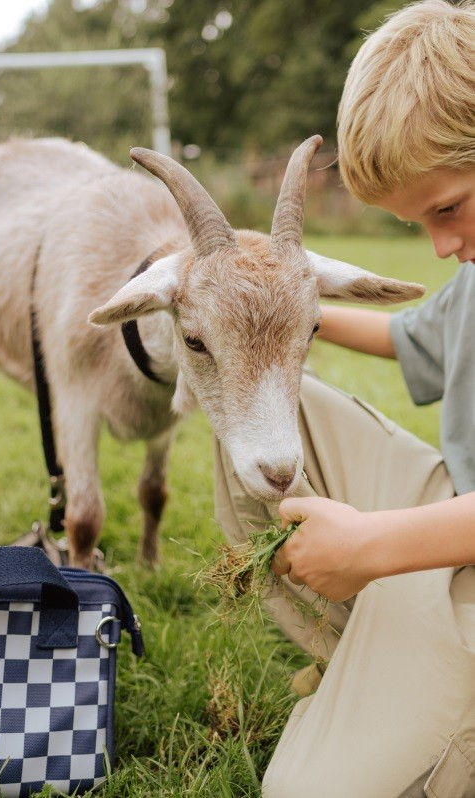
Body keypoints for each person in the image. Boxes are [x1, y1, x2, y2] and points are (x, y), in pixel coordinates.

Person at [213, 1, 475, 796]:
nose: (441, 247)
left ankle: (409, 676)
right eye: (416, 224)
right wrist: (284, 302)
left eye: (450, 207)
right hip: (452, 509)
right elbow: (410, 338)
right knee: (261, 408)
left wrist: (374, 547)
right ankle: (367, 653)